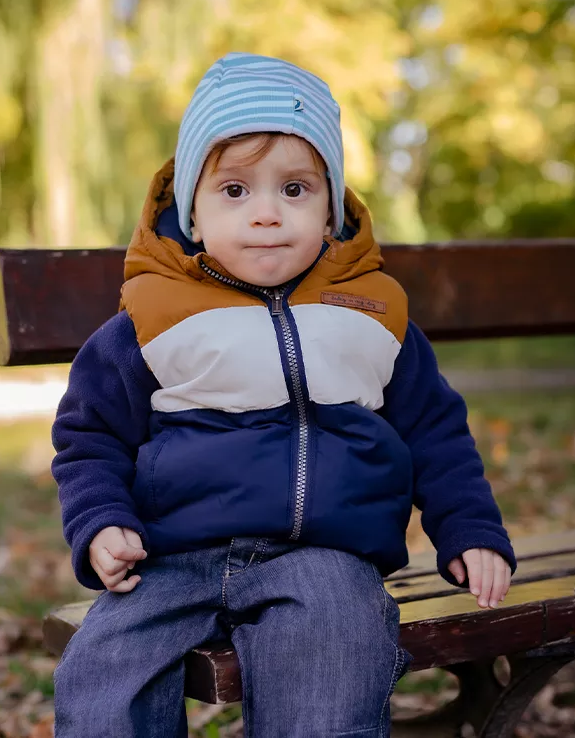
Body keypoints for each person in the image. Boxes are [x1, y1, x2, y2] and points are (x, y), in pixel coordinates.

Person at [51, 52, 517, 737]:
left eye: (294, 190)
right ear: (192, 212)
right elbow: (90, 435)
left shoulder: (373, 314)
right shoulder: (151, 320)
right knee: (103, 677)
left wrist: (469, 528)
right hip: (172, 556)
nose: (266, 214)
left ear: (331, 208)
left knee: (336, 662)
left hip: (326, 555)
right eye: (235, 191)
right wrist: (100, 525)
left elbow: (436, 433)